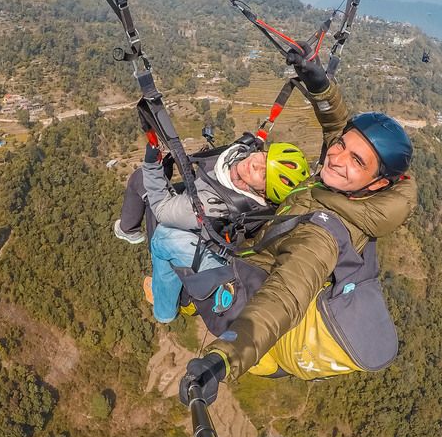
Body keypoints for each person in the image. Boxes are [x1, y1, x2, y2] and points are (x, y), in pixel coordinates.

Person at [179, 53, 417, 405]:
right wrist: (321, 87)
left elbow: (283, 299)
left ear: (379, 184)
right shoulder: (352, 192)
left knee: (178, 243)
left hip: (256, 316)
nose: (336, 157)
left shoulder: (322, 237)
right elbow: (339, 127)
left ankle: (186, 301)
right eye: (341, 146)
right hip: (268, 244)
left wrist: (223, 360)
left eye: (356, 161)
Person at [115, 136, 311, 324]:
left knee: (163, 237)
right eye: (264, 157)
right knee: (142, 180)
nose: (255, 164)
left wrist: (151, 162)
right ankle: (129, 231)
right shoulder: (237, 165)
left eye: (264, 173)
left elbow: (162, 209)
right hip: (212, 233)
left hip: (212, 253)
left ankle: (164, 311)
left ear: (262, 192)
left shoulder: (216, 205)